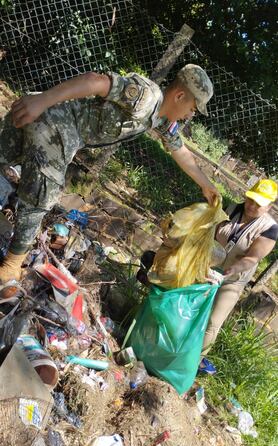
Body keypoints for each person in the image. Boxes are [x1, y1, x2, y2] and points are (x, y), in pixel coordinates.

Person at [0, 64, 219, 282]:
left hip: (50, 120)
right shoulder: (146, 97)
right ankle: (11, 265)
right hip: (53, 123)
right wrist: (43, 100)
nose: (190, 115)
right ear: (180, 96)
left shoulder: (162, 119)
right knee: (42, 195)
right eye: (192, 108)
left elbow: (179, 149)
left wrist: (206, 185)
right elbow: (96, 81)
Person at [199, 178, 278, 373]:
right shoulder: (233, 207)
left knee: (213, 321)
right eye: (250, 199)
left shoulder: (270, 229)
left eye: (258, 204)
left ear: (269, 206)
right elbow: (211, 230)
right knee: (190, 306)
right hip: (206, 267)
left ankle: (195, 359)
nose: (251, 206)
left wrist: (232, 270)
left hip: (233, 280)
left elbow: (252, 258)